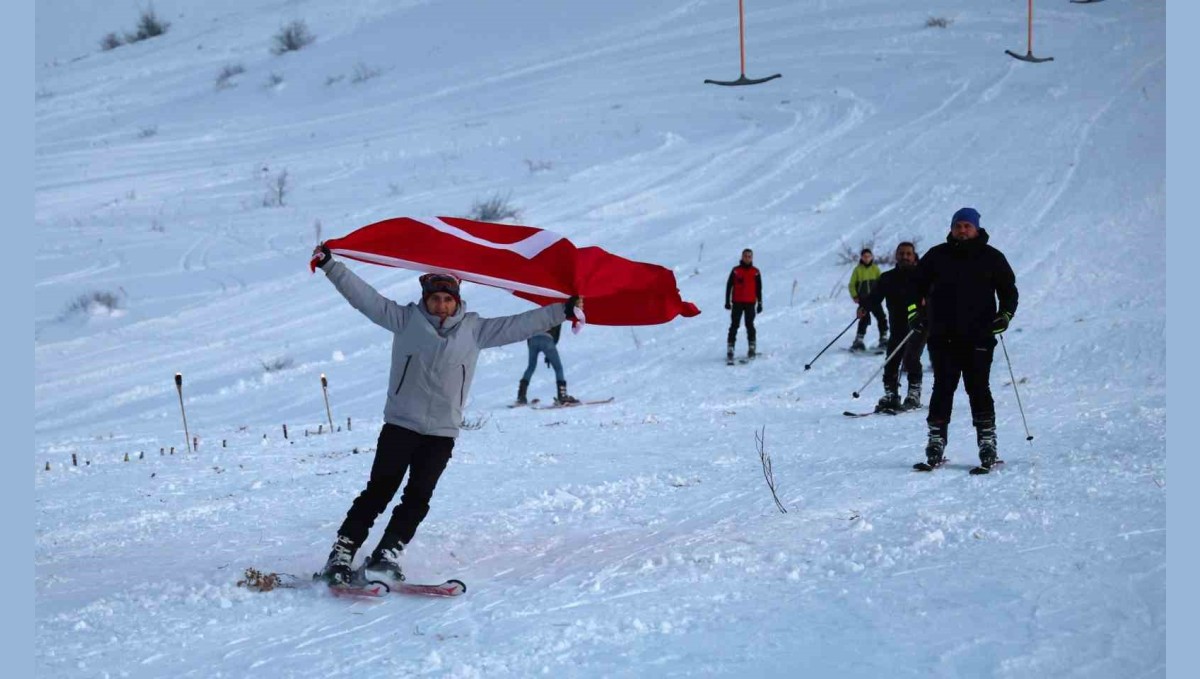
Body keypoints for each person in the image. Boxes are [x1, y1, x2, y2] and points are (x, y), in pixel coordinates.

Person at [310, 244, 582, 586]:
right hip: (401, 425)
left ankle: (386, 554)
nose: (441, 305)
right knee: (379, 491)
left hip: (441, 432)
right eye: (435, 299)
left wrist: (563, 310)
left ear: (457, 301)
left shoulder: (475, 330)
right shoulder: (405, 320)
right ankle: (342, 553)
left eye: (447, 299)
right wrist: (332, 266)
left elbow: (522, 324)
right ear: (425, 299)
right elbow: (365, 298)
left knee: (418, 497)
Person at [909, 208, 1018, 470]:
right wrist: (915, 313)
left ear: (977, 229)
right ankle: (936, 440)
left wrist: (1004, 316)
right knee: (943, 387)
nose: (962, 230)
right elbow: (915, 286)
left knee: (978, 388)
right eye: (958, 225)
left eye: (967, 226)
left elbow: (1009, 291)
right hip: (942, 335)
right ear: (952, 228)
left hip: (979, 335)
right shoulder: (937, 256)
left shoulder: (992, 258)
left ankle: (987, 441)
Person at [858, 241, 926, 412]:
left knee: (911, 358)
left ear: (914, 256)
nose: (904, 256)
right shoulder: (888, 278)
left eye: (908, 253)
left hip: (918, 326)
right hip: (897, 325)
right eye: (901, 253)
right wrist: (864, 307)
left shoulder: (921, 276)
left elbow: (932, 294)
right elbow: (875, 296)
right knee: (891, 360)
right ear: (896, 256)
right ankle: (891, 394)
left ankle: (914, 394)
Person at [516, 323, 578, 405]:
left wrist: (530, 345)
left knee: (531, 367)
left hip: (532, 339)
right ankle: (562, 396)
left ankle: (521, 396)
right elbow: (556, 336)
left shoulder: (539, 313)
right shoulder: (556, 316)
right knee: (558, 367)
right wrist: (549, 354)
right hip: (547, 340)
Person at [725, 248, 763, 362]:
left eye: (749, 256)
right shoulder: (736, 271)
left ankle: (752, 347)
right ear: (742, 257)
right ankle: (730, 348)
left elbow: (759, 288)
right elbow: (729, 286)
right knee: (734, 325)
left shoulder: (755, 272)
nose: (747, 258)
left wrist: (760, 303)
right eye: (745, 256)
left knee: (749, 325)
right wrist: (727, 301)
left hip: (750, 303)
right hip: (737, 302)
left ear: (752, 258)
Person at [848, 248, 887, 352]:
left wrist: (882, 294)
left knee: (881, 318)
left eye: (868, 256)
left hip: (875, 299)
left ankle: (884, 339)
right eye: (864, 256)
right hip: (863, 300)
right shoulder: (858, 270)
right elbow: (851, 285)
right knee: (864, 319)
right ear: (861, 257)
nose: (866, 258)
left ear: (872, 257)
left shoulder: (875, 269)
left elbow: (881, 283)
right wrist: (855, 296)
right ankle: (858, 341)